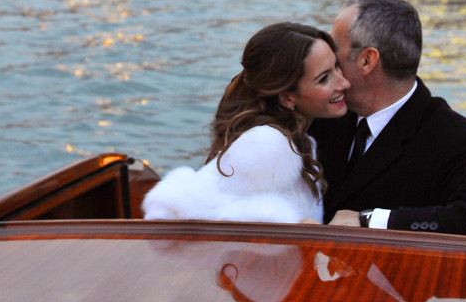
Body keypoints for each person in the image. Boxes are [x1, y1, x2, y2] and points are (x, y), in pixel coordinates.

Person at [311, 0, 466, 238]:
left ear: (367, 60)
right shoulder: (324, 114)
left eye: (334, 53)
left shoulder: (455, 138)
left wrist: (370, 220)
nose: (329, 62)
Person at [142, 21, 349, 223]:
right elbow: (172, 212)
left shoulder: (298, 138)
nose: (344, 83)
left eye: (337, 67)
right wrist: (298, 230)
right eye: (324, 78)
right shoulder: (268, 145)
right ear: (287, 97)